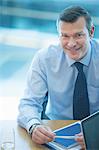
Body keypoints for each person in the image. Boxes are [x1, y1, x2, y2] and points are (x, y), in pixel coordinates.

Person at [17, 5, 99, 149]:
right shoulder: (44, 58)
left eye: (78, 35)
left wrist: (95, 134)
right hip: (57, 130)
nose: (71, 43)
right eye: (65, 36)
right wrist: (34, 126)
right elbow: (28, 103)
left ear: (91, 32)